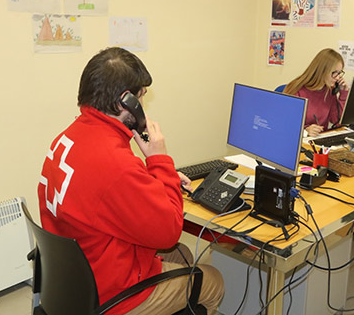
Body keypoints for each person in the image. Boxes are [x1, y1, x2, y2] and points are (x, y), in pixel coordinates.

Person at [37, 47, 224, 315]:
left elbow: (101, 190)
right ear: (125, 104)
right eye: (141, 98)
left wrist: (157, 178)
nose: (143, 107)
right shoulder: (116, 163)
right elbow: (169, 231)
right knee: (212, 280)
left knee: (182, 254)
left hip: (74, 280)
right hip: (112, 294)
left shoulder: (67, 139)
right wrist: (159, 160)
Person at [283, 48, 348, 137]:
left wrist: (343, 94)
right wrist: (305, 131)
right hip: (299, 142)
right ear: (322, 70)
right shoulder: (297, 89)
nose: (337, 78)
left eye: (339, 73)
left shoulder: (329, 91)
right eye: (334, 73)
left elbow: (337, 121)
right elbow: (284, 124)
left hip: (320, 142)